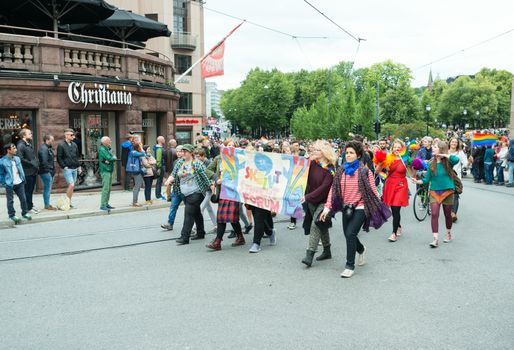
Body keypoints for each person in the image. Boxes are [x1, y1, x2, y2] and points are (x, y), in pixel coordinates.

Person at [320, 140, 385, 278]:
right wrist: (327, 208)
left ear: (358, 155)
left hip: (361, 206)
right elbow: (333, 190)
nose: (348, 155)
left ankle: (349, 266)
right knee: (348, 235)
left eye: (351, 153)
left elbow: (373, 191)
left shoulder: (364, 171)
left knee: (350, 234)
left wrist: (377, 205)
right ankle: (361, 249)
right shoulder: (340, 171)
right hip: (346, 207)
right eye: (347, 153)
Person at [410, 141, 459, 248]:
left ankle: (448, 233)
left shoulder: (448, 161)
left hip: (447, 191)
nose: (433, 148)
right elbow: (426, 180)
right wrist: (417, 181)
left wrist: (444, 155)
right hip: (434, 192)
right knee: (435, 214)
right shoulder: (431, 163)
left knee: (447, 215)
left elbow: (457, 159)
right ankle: (435, 239)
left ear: (441, 149)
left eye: (435, 147)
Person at [300, 140, 336, 267]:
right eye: (313, 149)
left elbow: (324, 188)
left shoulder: (330, 170)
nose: (313, 151)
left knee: (316, 224)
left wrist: (307, 196)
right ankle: (327, 251)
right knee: (322, 225)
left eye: (316, 150)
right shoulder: (311, 163)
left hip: (325, 202)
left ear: (323, 153)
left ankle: (309, 254)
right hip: (311, 201)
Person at [206, 139, 246, 250]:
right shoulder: (219, 158)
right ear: (225, 146)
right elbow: (207, 170)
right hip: (223, 191)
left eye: (233, 145)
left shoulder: (240, 159)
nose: (231, 147)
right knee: (222, 217)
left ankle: (218, 241)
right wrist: (216, 178)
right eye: (229, 145)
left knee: (231, 217)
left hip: (234, 191)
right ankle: (237, 237)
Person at [169, 144, 212, 245]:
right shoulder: (180, 163)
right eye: (182, 151)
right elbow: (174, 174)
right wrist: (168, 181)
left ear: (191, 153)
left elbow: (205, 177)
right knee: (196, 212)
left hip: (196, 192)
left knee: (188, 213)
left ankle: (185, 237)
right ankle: (201, 232)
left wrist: (211, 187)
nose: (182, 153)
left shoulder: (197, 164)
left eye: (185, 151)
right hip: (184, 192)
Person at [380, 139, 409, 242]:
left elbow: (412, 171)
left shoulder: (405, 159)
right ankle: (398, 225)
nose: (396, 149)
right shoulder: (388, 158)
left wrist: (415, 176)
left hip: (401, 185)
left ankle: (394, 233)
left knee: (396, 208)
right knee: (393, 209)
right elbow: (379, 171)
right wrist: (380, 164)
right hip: (390, 184)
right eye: (395, 147)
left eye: (399, 147)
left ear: (402, 148)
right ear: (391, 148)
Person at [0, 143, 31, 223]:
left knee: (23, 199)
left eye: (15, 148)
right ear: (8, 150)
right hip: (10, 183)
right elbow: (1, 174)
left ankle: (25, 213)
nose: (16, 150)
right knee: (10, 200)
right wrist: (4, 183)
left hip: (19, 182)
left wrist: (22, 178)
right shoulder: (2, 161)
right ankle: (12, 215)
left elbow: (20, 169)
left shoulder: (17, 158)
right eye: (13, 148)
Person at [161, 145, 184, 231]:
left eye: (180, 151)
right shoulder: (176, 162)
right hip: (176, 188)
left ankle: (194, 226)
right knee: (173, 207)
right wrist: (169, 181)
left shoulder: (188, 162)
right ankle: (170, 224)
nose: (178, 153)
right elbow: (173, 173)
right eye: (177, 151)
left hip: (185, 190)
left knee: (191, 209)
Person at [16, 129, 39, 214]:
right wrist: (32, 163)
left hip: (32, 171)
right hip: (27, 172)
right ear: (24, 135)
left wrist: (36, 162)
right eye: (29, 133)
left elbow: (32, 157)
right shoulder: (20, 145)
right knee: (27, 191)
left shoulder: (28, 144)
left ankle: (30, 205)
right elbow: (20, 159)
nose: (31, 134)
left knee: (30, 190)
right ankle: (27, 208)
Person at [57, 128, 80, 208]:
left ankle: (68, 203)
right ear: (66, 135)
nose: (73, 136)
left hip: (75, 168)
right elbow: (59, 157)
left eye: (73, 135)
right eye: (71, 135)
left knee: (72, 186)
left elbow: (77, 156)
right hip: (68, 168)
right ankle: (66, 203)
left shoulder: (74, 145)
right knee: (71, 185)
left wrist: (79, 166)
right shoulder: (61, 145)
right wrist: (64, 166)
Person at [448, 137, 468, 222]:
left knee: (455, 194)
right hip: (446, 176)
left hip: (456, 176)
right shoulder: (446, 151)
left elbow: (465, 162)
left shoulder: (460, 153)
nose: (454, 143)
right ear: (449, 143)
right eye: (452, 142)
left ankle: (453, 214)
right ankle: (448, 211)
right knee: (447, 194)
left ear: (457, 144)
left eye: (455, 142)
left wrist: (463, 167)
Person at [38, 134, 56, 210]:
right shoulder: (43, 148)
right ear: (47, 140)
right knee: (47, 188)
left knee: (48, 188)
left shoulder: (48, 148)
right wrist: (49, 170)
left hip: (49, 171)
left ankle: (47, 204)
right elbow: (44, 162)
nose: (53, 142)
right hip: (46, 172)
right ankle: (47, 205)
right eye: (52, 140)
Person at [98, 136, 117, 211]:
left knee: (109, 188)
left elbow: (109, 157)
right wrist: (113, 158)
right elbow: (110, 158)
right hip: (105, 170)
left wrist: (111, 157)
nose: (110, 142)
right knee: (106, 188)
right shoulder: (102, 149)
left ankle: (106, 203)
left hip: (108, 169)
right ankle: (103, 205)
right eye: (109, 141)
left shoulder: (106, 149)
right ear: (105, 142)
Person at [125, 137, 145, 207]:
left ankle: (134, 201)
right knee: (137, 186)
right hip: (136, 171)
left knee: (136, 186)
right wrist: (141, 147)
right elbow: (143, 154)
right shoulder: (134, 152)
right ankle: (135, 202)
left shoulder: (133, 152)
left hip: (134, 171)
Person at [153, 136, 166, 200]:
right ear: (160, 140)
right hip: (160, 166)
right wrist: (158, 168)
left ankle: (159, 194)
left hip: (161, 166)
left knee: (159, 181)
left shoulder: (159, 148)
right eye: (163, 139)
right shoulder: (159, 149)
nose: (164, 140)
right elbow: (158, 159)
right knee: (159, 181)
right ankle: (158, 195)